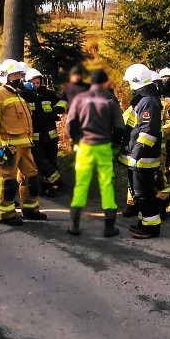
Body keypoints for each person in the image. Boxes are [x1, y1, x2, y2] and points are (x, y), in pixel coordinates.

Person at [0, 60, 47, 226]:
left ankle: (30, 209)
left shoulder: (17, 94)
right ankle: (6, 214)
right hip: (8, 146)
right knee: (7, 181)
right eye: (15, 75)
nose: (19, 78)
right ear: (5, 76)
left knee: (31, 178)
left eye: (20, 75)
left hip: (24, 145)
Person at [64, 69, 125, 237]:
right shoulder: (109, 99)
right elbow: (119, 126)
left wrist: (77, 140)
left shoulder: (79, 99)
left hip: (84, 147)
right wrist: (114, 144)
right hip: (104, 146)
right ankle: (109, 227)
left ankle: (74, 224)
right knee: (106, 184)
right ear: (105, 83)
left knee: (81, 184)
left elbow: (69, 124)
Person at [118, 63, 163, 239]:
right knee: (138, 193)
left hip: (142, 157)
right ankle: (144, 221)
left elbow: (147, 132)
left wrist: (137, 154)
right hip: (136, 156)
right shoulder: (142, 100)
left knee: (144, 193)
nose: (129, 85)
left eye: (130, 82)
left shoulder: (148, 102)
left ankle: (151, 228)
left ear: (137, 81)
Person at [23, 68, 65, 197]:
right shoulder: (24, 96)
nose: (36, 85)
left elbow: (63, 102)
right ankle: (57, 179)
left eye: (38, 82)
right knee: (41, 162)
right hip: (35, 138)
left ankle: (49, 189)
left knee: (51, 162)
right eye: (33, 83)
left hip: (51, 136)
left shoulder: (49, 94)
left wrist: (59, 108)